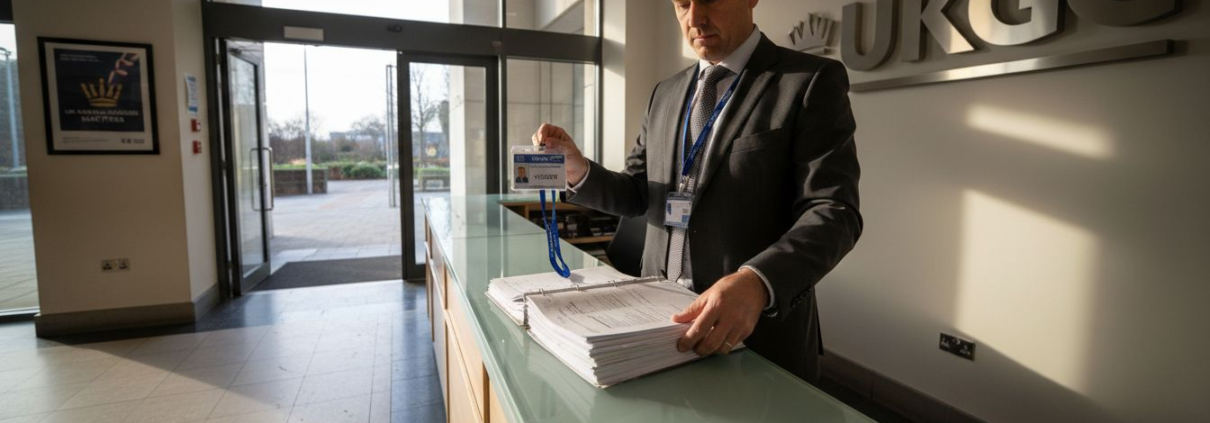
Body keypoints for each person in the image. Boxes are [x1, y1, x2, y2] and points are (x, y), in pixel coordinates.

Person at [531, 0, 862, 382]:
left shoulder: (808, 81)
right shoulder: (665, 93)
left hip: (754, 336)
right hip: (658, 325)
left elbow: (833, 211)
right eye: (682, 4)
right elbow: (637, 192)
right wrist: (579, 170)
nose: (695, 18)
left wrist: (756, 281)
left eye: (709, 0)